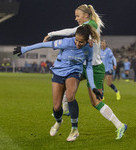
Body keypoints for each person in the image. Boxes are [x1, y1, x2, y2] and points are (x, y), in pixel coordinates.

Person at [43, 4, 127, 140]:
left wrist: (51, 34)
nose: (76, 18)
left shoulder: (91, 24)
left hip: (94, 68)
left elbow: (71, 31)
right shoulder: (86, 27)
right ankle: (64, 108)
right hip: (84, 66)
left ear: (86, 15)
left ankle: (120, 125)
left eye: (77, 16)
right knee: (65, 80)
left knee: (95, 102)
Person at [14, 24, 102, 142]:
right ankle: (58, 122)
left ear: (87, 41)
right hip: (59, 71)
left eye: (81, 42)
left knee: (70, 96)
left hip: (74, 72)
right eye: (76, 40)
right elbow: (44, 44)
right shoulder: (66, 42)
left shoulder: (89, 48)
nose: (77, 44)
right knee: (56, 107)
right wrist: (24, 49)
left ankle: (74, 129)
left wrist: (93, 87)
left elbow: (89, 68)